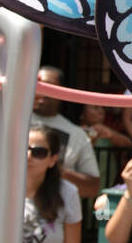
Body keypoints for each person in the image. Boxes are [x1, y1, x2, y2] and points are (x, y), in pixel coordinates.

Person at [32, 67, 100, 199]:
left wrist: (53, 170)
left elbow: (93, 188)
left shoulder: (76, 134)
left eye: (46, 86)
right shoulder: (14, 122)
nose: (40, 90)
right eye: (36, 84)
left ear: (62, 91)